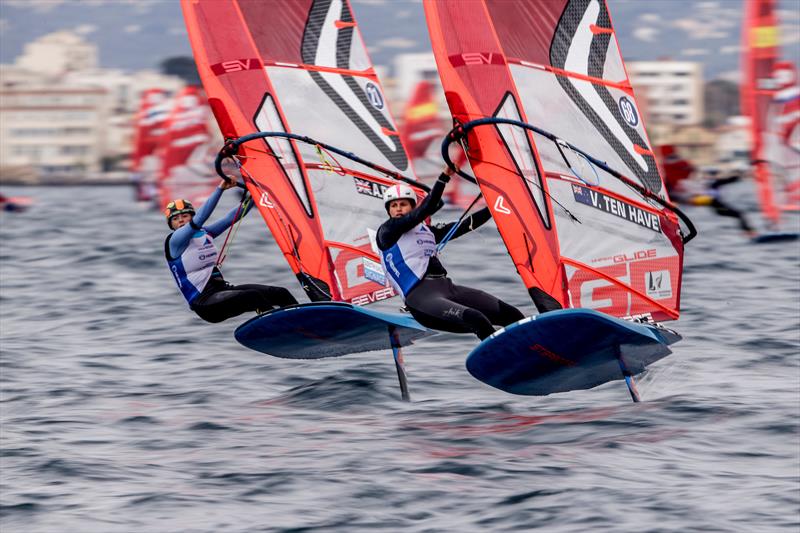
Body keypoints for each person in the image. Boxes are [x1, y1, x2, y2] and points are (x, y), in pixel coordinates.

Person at [376, 166, 525, 340]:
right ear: (389, 211)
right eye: (394, 206)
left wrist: (497, 204)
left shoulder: (427, 231)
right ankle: (506, 357)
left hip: (447, 289)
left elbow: (465, 225)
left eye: (403, 204)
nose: (398, 209)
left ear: (411, 206)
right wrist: (444, 178)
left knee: (511, 314)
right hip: (421, 301)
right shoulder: (387, 232)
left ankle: (537, 348)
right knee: (477, 319)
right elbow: (428, 208)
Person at [165, 179, 298, 323]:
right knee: (253, 297)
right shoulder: (174, 242)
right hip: (205, 303)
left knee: (280, 293)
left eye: (185, 216)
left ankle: (307, 323)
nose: (181, 221)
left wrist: (257, 191)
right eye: (176, 219)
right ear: (171, 224)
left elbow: (232, 217)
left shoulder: (205, 233)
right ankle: (280, 330)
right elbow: (201, 218)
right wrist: (220, 189)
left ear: (190, 216)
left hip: (222, 291)